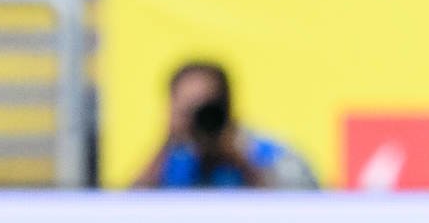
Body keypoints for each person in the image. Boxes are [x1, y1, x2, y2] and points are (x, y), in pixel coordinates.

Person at [130, 61, 316, 189]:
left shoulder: (269, 155)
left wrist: (240, 160)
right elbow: (129, 213)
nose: (198, 119)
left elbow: (297, 211)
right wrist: (165, 144)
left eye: (205, 108)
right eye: (188, 109)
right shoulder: (175, 161)